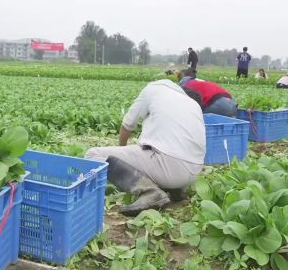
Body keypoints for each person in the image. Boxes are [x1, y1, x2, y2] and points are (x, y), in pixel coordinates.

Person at [85, 79, 206, 216]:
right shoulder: (192, 103)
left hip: (169, 166)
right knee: (154, 151)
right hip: (193, 174)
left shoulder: (153, 89)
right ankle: (173, 189)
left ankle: (150, 192)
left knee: (93, 155)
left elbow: (127, 126)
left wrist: (120, 159)